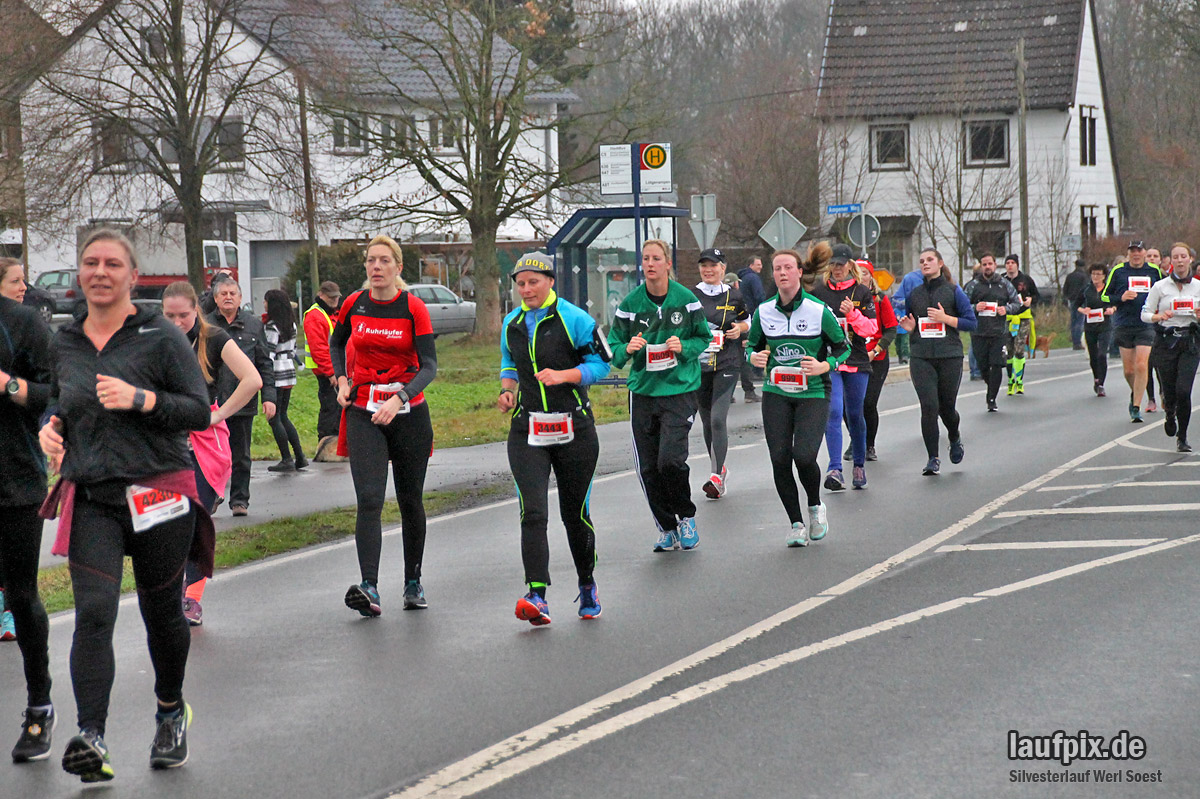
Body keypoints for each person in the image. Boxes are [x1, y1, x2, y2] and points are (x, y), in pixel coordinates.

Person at [38, 229, 213, 781]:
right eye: (90, 262)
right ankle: (92, 736)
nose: (100, 272)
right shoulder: (63, 341)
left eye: (113, 263)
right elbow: (59, 401)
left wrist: (143, 399)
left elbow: (198, 410)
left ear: (133, 277)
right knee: (93, 613)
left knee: (161, 613)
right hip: (93, 493)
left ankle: (169, 712)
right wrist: (50, 427)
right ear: (80, 273)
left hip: (158, 489)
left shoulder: (160, 337)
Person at [498, 253, 610, 625]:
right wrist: (507, 389)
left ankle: (587, 584)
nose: (526, 290)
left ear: (550, 282)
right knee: (533, 512)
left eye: (533, 282)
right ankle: (537, 595)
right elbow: (509, 363)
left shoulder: (575, 319)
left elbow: (603, 364)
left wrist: (565, 376)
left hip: (574, 428)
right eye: (521, 284)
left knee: (574, 514)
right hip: (527, 429)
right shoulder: (511, 323)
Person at [330, 235, 437, 616]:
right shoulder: (353, 304)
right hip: (363, 411)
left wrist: (400, 397)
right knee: (370, 500)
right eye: (370, 261)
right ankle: (369, 587)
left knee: (410, 501)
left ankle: (412, 581)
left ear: (398, 267)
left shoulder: (413, 308)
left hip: (407, 411)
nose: (376, 267)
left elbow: (429, 366)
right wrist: (341, 379)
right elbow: (335, 342)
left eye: (383, 261)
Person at [162, 281, 262, 627]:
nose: (176, 322)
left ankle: (192, 598)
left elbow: (252, 379)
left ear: (196, 311)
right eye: (169, 315)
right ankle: (170, 592)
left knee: (195, 521)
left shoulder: (215, 338)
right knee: (168, 524)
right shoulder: (153, 339)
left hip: (205, 444)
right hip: (166, 442)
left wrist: (219, 414)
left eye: (183, 315)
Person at [607, 239, 711, 552]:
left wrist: (685, 348)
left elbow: (703, 338)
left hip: (679, 389)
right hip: (643, 392)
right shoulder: (630, 304)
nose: (650, 264)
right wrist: (627, 349)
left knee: (670, 461)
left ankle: (686, 516)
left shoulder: (686, 300)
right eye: (645, 259)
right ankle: (666, 527)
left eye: (656, 258)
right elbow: (613, 350)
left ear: (668, 264)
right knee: (648, 468)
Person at [747, 244, 849, 546]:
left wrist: (824, 365)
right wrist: (753, 358)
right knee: (779, 459)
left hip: (813, 392)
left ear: (799, 272)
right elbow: (751, 348)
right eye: (777, 268)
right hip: (776, 391)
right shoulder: (764, 312)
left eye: (788, 267)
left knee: (803, 456)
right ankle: (795, 524)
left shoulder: (818, 310)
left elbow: (844, 348)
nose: (782, 273)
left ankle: (816, 506)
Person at [0, 258, 56, 762]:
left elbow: (51, 394)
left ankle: (39, 706)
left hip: (12, 479)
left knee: (20, 593)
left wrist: (7, 385)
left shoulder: (21, 322)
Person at [898, 248, 978, 475]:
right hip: (921, 356)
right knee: (929, 407)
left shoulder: (953, 291)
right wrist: (911, 329)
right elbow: (914, 324)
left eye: (930, 260)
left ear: (940, 263)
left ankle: (954, 436)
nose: (925, 263)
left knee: (946, 408)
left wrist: (945, 319)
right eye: (921, 261)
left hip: (949, 356)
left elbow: (971, 323)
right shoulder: (914, 294)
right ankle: (933, 458)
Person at [207, 275, 276, 515]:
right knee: (214, 455)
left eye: (232, 293)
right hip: (213, 402)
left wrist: (269, 396)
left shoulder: (254, 325)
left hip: (242, 402)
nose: (228, 297)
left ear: (240, 298)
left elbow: (264, 363)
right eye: (223, 294)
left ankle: (239, 500)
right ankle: (213, 495)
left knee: (241, 455)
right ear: (215, 298)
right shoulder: (206, 325)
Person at [811, 243, 877, 490]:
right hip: (830, 362)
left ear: (850, 265)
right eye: (833, 264)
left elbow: (871, 330)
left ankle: (858, 465)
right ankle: (835, 469)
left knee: (854, 414)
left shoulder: (861, 292)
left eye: (841, 264)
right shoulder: (819, 293)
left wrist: (853, 315)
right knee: (833, 412)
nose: (837, 268)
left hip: (857, 360)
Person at [691, 248, 750, 498]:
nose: (708, 269)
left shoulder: (735, 296)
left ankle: (716, 475)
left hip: (727, 362)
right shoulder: (690, 296)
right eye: (704, 265)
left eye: (713, 265)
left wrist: (740, 328)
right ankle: (719, 470)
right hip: (700, 365)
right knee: (707, 423)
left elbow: (750, 321)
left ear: (723, 269)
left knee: (717, 419)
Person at [1142, 243, 1200, 451]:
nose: (1180, 260)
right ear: (1171, 261)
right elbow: (1145, 313)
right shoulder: (1160, 287)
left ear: (1190, 259)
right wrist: (1159, 316)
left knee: (1184, 390)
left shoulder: (1198, 287)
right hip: (1166, 341)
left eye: (1183, 256)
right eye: (1176, 257)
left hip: (1190, 342)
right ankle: (1169, 413)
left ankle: (1182, 437)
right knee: (1169, 389)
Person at [1102, 240, 1162, 422]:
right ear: (1128, 254)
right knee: (1129, 370)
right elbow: (1105, 296)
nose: (1136, 254)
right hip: (1124, 323)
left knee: (1142, 365)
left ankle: (1136, 406)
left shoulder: (1153, 271)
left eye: (1139, 250)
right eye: (1132, 251)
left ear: (1145, 253)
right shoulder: (1119, 271)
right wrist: (1120, 297)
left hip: (1146, 323)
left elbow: (1163, 292)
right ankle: (1135, 392)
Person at [963, 253, 1023, 411]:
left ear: (995, 265)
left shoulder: (1004, 284)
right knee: (983, 366)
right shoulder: (973, 285)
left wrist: (1006, 309)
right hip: (978, 332)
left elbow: (1017, 303)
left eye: (990, 264)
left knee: (996, 365)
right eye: (984, 264)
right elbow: (961, 306)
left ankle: (992, 398)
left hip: (998, 332)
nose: (987, 267)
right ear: (981, 266)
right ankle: (991, 386)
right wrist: (975, 308)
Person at [855, 260, 897, 461]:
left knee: (868, 403)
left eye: (864, 273)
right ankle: (857, 441)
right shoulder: (847, 300)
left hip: (876, 358)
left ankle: (869, 445)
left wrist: (877, 349)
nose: (859, 276)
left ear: (870, 277)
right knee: (850, 405)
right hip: (853, 359)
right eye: (855, 272)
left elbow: (891, 329)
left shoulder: (880, 299)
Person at [263, 288, 307, 472]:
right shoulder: (291, 324)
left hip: (276, 372)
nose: (264, 304)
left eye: (266, 301)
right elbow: (293, 348)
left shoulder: (272, 326)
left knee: (274, 418)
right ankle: (300, 456)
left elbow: (269, 352)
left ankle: (287, 458)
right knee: (283, 415)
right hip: (289, 370)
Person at [304, 280, 342, 447]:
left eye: (336, 297)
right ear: (321, 295)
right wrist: (331, 373)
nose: (335, 301)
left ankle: (335, 444)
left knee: (337, 409)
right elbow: (319, 349)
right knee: (330, 410)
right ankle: (326, 445)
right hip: (327, 373)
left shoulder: (332, 313)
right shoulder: (315, 315)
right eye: (331, 298)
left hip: (336, 371)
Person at [1074, 264, 1115, 397]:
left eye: (1098, 274)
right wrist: (1083, 310)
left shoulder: (1109, 289)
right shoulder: (1086, 289)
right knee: (1093, 355)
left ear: (1104, 276)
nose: (1095, 277)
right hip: (1090, 325)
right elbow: (1077, 305)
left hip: (1105, 325)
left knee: (1102, 354)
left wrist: (1112, 309)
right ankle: (1096, 378)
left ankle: (1101, 383)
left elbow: (1117, 302)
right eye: (1093, 274)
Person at [1003, 254, 1038, 395]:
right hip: (1007, 318)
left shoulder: (1026, 279)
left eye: (1012, 263)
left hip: (1023, 317)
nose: (1010, 265)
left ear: (1017, 265)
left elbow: (1036, 295)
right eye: (1007, 263)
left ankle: (1019, 380)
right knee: (1008, 351)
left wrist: (1030, 300)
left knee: (1019, 349)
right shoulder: (1001, 280)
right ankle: (1011, 380)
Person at [737, 256, 766, 402]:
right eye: (758, 264)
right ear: (751, 265)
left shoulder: (740, 279)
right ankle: (750, 390)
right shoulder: (753, 278)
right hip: (751, 319)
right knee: (748, 350)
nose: (760, 267)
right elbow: (759, 296)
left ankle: (727, 394)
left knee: (736, 354)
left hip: (738, 319)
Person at [1143, 247, 1166, 411]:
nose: (1152, 258)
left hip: (1162, 328)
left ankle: (1164, 393)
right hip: (1144, 326)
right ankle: (1150, 398)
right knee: (1146, 365)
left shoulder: (1166, 280)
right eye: (1149, 256)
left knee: (1161, 365)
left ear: (1161, 260)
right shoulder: (1139, 278)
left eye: (1155, 256)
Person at [892, 267, 924, 364]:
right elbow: (895, 300)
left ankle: (905, 356)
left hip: (910, 326)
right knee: (898, 342)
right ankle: (901, 356)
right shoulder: (910, 279)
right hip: (899, 323)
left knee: (905, 341)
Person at [1062, 258, 1089, 350]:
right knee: (1080, 321)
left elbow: (1065, 289)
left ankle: (1074, 341)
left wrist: (1066, 298)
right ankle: (1078, 342)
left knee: (1073, 321)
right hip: (1081, 301)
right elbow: (1086, 289)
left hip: (1071, 300)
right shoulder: (1084, 276)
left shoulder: (1070, 276)